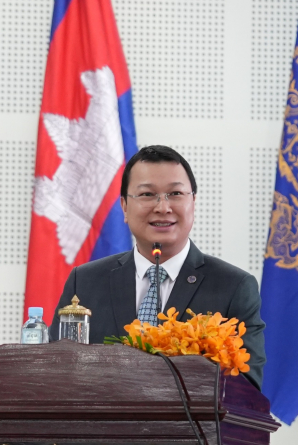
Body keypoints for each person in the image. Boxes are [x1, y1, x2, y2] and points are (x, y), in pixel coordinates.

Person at [49, 145, 266, 389]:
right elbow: (55, 373)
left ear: (193, 202)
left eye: (175, 193)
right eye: (147, 194)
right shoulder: (85, 282)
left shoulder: (233, 287)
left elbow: (247, 388)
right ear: (124, 207)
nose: (163, 207)